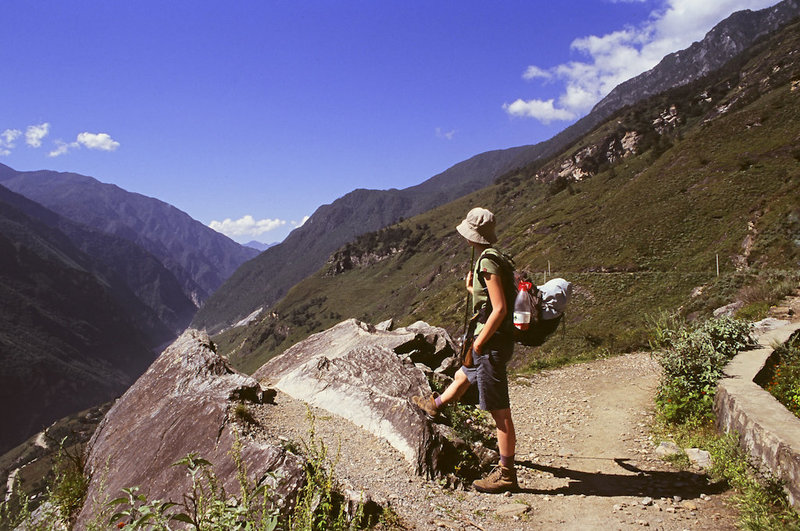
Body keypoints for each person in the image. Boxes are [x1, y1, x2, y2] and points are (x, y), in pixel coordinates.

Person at [412, 207, 517, 494]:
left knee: (499, 412)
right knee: (463, 374)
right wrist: (472, 290)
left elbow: (500, 308)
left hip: (490, 343)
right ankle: (436, 405)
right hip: (491, 339)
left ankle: (507, 473)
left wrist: (481, 342)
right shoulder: (494, 258)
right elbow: (491, 301)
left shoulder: (487, 263)